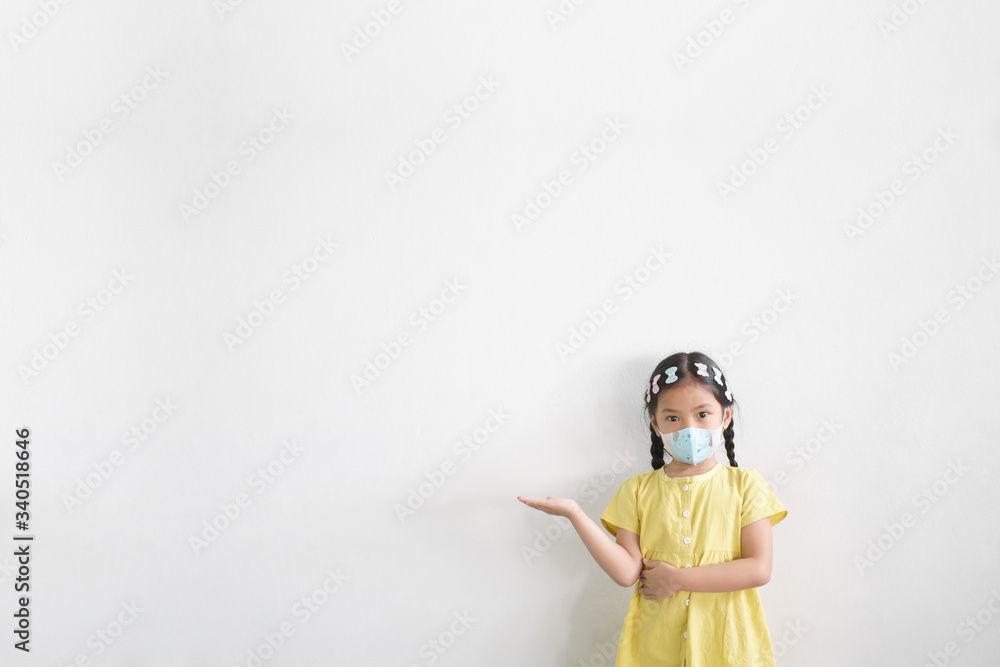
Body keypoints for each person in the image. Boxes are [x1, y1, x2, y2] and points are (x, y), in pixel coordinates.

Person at [517, 351, 787, 666]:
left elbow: (759, 568)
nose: (689, 428)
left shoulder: (746, 485)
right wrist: (575, 514)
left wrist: (679, 578)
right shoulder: (637, 491)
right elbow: (627, 572)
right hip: (655, 649)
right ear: (656, 424)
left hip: (728, 648)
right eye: (673, 418)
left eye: (702, 414)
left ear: (725, 416)